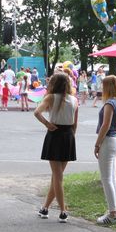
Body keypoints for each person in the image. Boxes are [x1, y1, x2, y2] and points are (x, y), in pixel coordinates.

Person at [34, 72, 78, 223]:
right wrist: (72, 138)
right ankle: (45, 208)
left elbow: (37, 112)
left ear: (53, 84)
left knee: (57, 177)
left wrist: (47, 124)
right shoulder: (74, 100)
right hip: (68, 135)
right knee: (57, 176)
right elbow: (74, 124)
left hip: (55, 134)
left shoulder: (51, 97)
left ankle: (63, 211)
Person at [94, 75, 116, 225]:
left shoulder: (109, 104)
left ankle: (112, 213)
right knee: (112, 178)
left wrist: (97, 143)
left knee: (106, 178)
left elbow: (105, 125)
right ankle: (114, 209)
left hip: (109, 140)